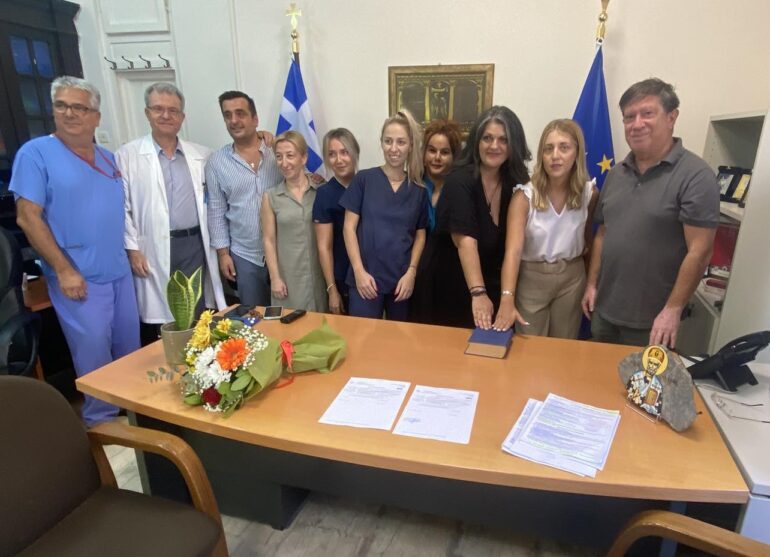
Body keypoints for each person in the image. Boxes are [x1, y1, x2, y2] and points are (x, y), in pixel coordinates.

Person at [11, 76, 140, 426]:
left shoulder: (109, 159)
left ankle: (137, 418)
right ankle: (102, 424)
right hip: (78, 275)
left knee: (128, 352)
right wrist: (64, 270)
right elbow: (27, 217)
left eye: (79, 107)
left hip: (118, 271)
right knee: (94, 355)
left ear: (96, 117)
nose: (70, 114)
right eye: (62, 106)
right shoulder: (35, 154)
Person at [581, 78, 720, 348]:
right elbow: (603, 234)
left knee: (641, 378)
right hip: (605, 312)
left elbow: (700, 251)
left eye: (647, 113)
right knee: (596, 373)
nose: (637, 124)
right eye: (629, 117)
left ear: (671, 117)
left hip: (654, 322)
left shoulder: (696, 176)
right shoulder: (616, 174)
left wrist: (673, 310)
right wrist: (591, 284)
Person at [117, 82, 226, 345]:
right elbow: (122, 208)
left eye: (173, 111)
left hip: (194, 244)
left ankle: (197, 358)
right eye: (158, 109)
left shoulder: (202, 155)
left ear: (182, 117)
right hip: (151, 247)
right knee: (162, 316)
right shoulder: (127, 156)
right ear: (147, 113)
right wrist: (132, 249)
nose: (166, 115)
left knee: (196, 307)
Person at [495, 119, 598, 337]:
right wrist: (507, 297)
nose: (555, 156)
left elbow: (589, 240)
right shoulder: (524, 196)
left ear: (577, 153)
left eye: (564, 148)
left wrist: (591, 283)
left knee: (564, 344)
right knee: (530, 343)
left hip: (572, 276)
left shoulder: (589, 194)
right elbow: (513, 252)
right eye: (548, 149)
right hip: (533, 277)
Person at [432, 106, 531, 329]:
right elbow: (465, 241)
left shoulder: (516, 181)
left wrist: (506, 296)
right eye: (487, 138)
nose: (494, 146)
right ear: (477, 141)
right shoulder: (459, 179)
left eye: (503, 139)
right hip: (454, 284)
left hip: (494, 285)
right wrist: (478, 293)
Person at [340, 110, 428, 321]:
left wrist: (411, 272)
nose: (394, 148)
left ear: (410, 146)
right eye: (388, 141)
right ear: (381, 143)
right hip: (366, 280)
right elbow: (348, 228)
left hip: (401, 283)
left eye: (401, 142)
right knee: (363, 338)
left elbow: (420, 234)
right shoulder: (364, 180)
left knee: (399, 339)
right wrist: (359, 271)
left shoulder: (418, 190)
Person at [206, 91, 281, 307]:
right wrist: (223, 254)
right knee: (253, 316)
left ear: (255, 119)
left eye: (240, 113)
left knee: (288, 315)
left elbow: (299, 181)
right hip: (245, 255)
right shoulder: (216, 163)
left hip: (283, 251)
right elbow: (216, 211)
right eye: (228, 115)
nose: (234, 120)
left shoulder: (277, 151)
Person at [261, 131, 327, 311]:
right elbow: (268, 240)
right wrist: (275, 278)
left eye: (290, 156)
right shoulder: (270, 197)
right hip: (289, 281)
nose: (284, 163)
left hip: (320, 277)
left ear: (303, 158)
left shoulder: (321, 190)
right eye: (279, 157)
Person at [409, 119, 462, 323]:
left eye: (444, 152)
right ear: (423, 154)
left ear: (454, 157)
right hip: (418, 272)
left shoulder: (461, 188)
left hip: (451, 274)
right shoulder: (413, 185)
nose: (437, 158)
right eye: (432, 150)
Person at [312, 128, 360, 314]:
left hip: (372, 273)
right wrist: (332, 290)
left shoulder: (367, 184)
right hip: (342, 276)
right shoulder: (325, 194)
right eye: (332, 154)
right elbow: (324, 247)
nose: (339, 160)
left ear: (355, 152)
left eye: (344, 152)